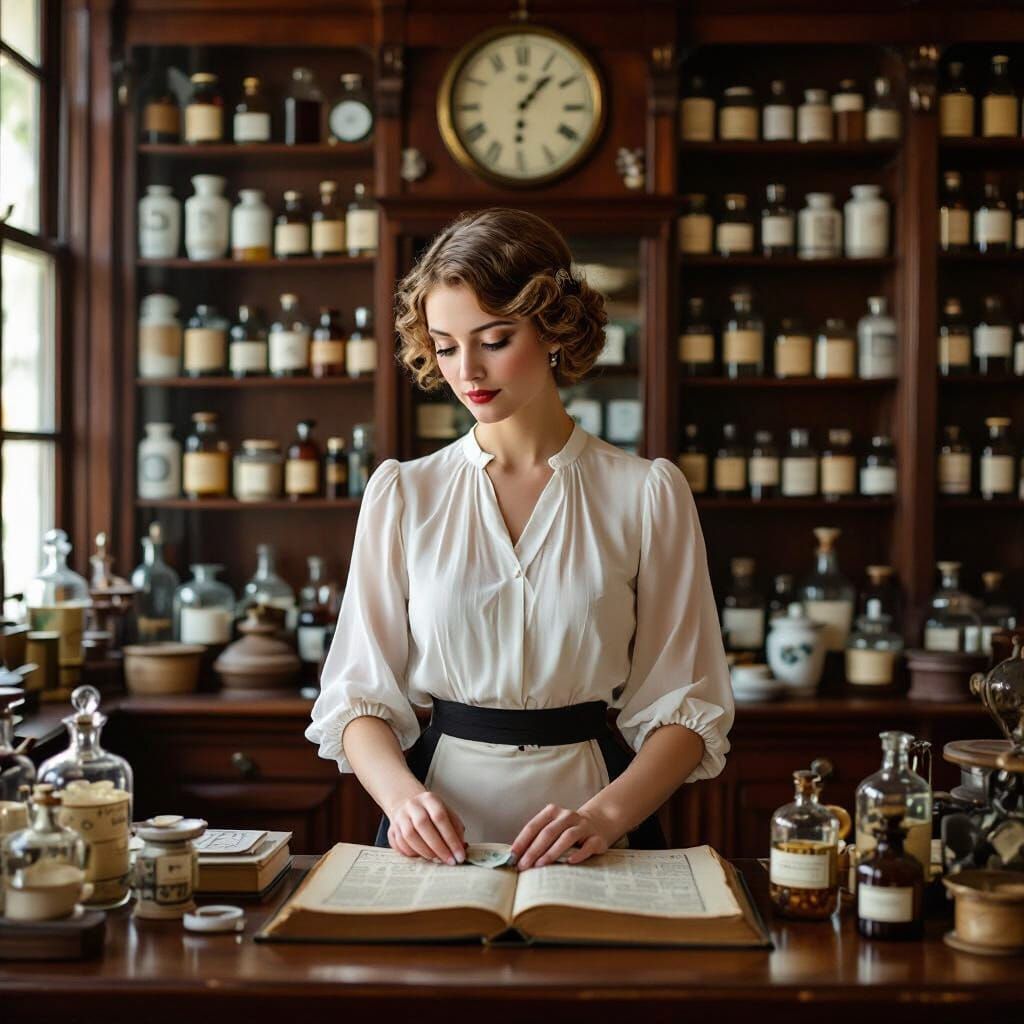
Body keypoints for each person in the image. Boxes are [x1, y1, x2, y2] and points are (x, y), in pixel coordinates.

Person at [305, 207, 734, 872]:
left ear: (554, 329)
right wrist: (403, 801)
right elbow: (359, 694)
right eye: (445, 346)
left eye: (494, 338)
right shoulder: (403, 495)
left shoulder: (647, 494)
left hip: (594, 837)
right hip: (438, 840)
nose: (467, 369)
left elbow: (687, 704)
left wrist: (603, 818)